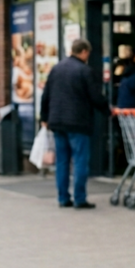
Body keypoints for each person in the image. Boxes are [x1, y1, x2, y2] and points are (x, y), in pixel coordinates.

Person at [41, 38, 110, 209]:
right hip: (78, 122)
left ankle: (63, 198)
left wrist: (44, 118)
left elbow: (46, 95)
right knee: (80, 161)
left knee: (62, 162)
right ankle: (80, 198)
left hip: (57, 122)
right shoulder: (84, 71)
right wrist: (108, 111)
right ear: (84, 52)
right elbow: (95, 96)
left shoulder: (56, 69)